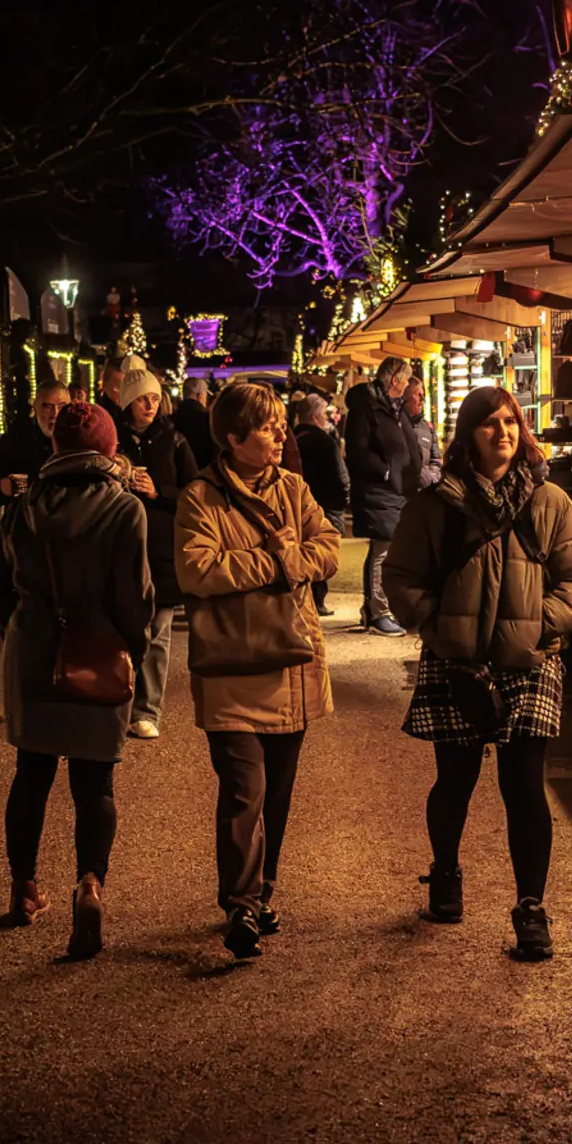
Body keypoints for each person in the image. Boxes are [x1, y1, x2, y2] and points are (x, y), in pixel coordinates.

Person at [385, 385, 572, 962]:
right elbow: (400, 577)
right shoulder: (437, 506)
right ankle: (446, 875)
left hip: (528, 662)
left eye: (509, 422)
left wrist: (541, 627)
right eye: (488, 424)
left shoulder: (549, 502)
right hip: (457, 662)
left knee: (524, 788)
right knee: (455, 781)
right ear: (467, 435)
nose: (502, 433)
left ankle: (531, 908)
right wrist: (438, 624)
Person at [176, 383, 341, 959]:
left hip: (290, 662)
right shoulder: (200, 497)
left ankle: (263, 893)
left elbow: (329, 549)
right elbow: (197, 570)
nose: (279, 436)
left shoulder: (295, 489)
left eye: (279, 426)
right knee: (245, 789)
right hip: (231, 668)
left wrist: (291, 558)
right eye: (268, 428)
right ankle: (241, 904)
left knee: (278, 793)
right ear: (233, 438)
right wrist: (277, 560)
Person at [0, 402, 153, 956]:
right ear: (108, 450)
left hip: (34, 654)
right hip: (98, 653)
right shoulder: (125, 509)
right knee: (95, 784)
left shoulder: (22, 506)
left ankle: (24, 888)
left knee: (30, 775)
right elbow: (135, 598)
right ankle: (90, 884)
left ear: (54, 448)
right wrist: (134, 647)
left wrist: (24, 633)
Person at [113, 368, 200, 739]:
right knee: (123, 628)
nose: (149, 405)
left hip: (162, 547)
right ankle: (117, 704)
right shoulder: (113, 439)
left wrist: (159, 491)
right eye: (141, 398)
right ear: (127, 402)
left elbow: (194, 492)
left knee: (159, 630)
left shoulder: (174, 439)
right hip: (121, 545)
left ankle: (147, 710)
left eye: (154, 397)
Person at [343, 356, 422, 636]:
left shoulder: (389, 406)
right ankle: (378, 611)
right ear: (393, 380)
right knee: (382, 550)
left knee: (389, 550)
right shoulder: (367, 408)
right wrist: (386, 471)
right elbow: (357, 449)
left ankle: (379, 609)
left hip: (394, 490)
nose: (404, 388)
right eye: (403, 381)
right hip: (380, 490)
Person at [291, 393, 350, 616]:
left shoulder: (291, 440)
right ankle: (317, 600)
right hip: (325, 504)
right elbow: (340, 475)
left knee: (302, 550)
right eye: (324, 414)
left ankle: (306, 599)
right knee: (322, 552)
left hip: (298, 506)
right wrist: (343, 500)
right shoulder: (325, 442)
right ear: (317, 417)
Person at [0, 378, 71, 507]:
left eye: (61, 406)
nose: (54, 414)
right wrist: (25, 485)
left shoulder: (79, 439)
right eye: (47, 406)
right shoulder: (16, 440)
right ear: (35, 407)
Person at [96, 354, 148, 437]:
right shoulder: (98, 420)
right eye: (116, 386)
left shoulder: (151, 418)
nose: (116, 391)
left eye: (124, 386)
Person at [174, 375, 217, 471]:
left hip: (179, 471)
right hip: (204, 470)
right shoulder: (208, 418)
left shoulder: (172, 418)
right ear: (200, 395)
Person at [405, 378, 441, 489]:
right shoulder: (394, 426)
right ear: (405, 397)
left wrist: (431, 478)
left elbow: (436, 460)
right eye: (418, 395)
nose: (422, 399)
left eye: (423, 395)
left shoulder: (428, 428)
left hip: (424, 494)